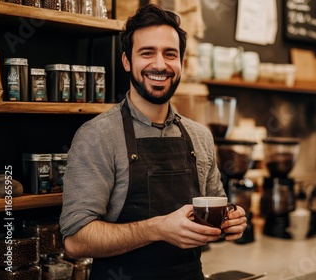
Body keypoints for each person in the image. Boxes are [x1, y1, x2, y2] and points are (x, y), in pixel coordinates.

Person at [59, 4, 247, 279]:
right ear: (126, 61)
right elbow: (75, 241)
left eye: (170, 54)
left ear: (181, 62)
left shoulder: (200, 136)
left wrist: (231, 220)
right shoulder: (97, 136)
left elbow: (216, 210)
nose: (160, 64)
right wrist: (157, 228)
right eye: (147, 53)